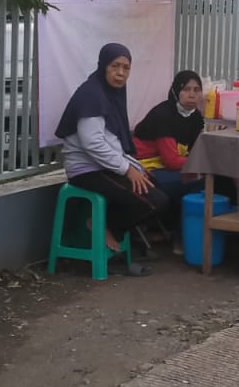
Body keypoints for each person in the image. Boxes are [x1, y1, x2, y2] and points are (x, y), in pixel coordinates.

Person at [56, 43, 167, 275]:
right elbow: (93, 143)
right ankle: (105, 227)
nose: (120, 73)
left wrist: (135, 166)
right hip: (86, 170)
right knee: (153, 200)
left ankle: (121, 234)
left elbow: (112, 141)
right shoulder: (92, 95)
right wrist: (127, 170)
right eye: (115, 66)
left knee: (156, 187)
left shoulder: (110, 94)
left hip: (102, 166)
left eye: (126, 68)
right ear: (103, 66)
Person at [134, 70, 207, 206]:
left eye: (197, 90)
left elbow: (195, 151)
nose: (192, 95)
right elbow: (171, 161)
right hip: (145, 166)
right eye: (186, 89)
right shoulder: (164, 115)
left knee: (209, 178)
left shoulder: (196, 117)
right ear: (176, 91)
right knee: (199, 181)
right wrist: (202, 164)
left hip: (167, 165)